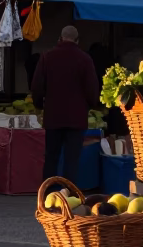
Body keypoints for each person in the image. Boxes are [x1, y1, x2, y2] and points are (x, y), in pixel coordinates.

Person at [31, 25, 99, 182]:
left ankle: (47, 194)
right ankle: (69, 195)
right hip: (76, 118)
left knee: (51, 157)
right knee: (72, 160)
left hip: (53, 116)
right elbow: (92, 89)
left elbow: (37, 86)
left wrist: (40, 105)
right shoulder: (85, 59)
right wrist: (89, 105)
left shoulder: (47, 57)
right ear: (77, 40)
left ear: (60, 38)